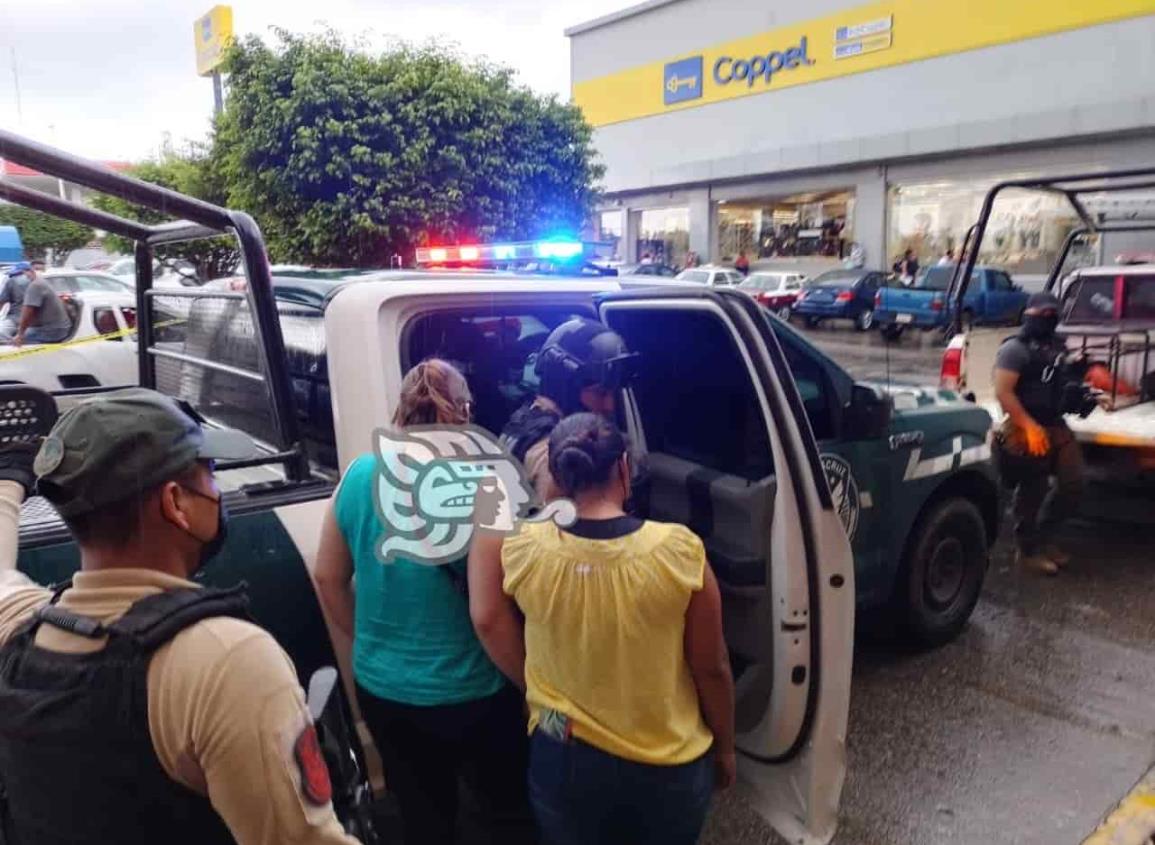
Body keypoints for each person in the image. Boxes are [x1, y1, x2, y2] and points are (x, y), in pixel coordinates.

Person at [0, 388, 359, 844]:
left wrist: (9, 483)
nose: (216, 491)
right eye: (208, 476)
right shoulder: (225, 660)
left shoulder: (24, 630)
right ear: (176, 503)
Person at [470, 413, 735, 845]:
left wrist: (535, 690)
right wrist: (724, 747)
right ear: (625, 469)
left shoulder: (519, 549)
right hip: (668, 764)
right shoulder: (678, 551)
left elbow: (485, 616)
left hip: (564, 752)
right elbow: (712, 667)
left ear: (555, 475)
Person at [314, 358, 534, 845]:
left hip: (382, 692)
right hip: (470, 694)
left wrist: (371, 642)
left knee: (423, 820)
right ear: (465, 411)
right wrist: (531, 684)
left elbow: (328, 577)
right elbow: (487, 616)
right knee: (506, 814)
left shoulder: (358, 473)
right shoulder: (485, 484)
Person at [992, 292, 1084, 576]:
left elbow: (1063, 383)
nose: (1048, 319)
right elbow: (1003, 392)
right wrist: (1029, 427)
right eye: (1042, 314)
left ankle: (1046, 537)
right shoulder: (1015, 349)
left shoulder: (1055, 347)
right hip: (1023, 424)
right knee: (1034, 487)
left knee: (1073, 483)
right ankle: (1028, 551)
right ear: (1029, 314)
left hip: (1055, 423)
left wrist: (1088, 395)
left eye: (1052, 314)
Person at [500, 318, 637, 500]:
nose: (610, 405)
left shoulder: (526, 421)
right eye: (600, 394)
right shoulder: (553, 454)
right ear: (564, 388)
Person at [3, 261, 71, 345]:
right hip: (56, 328)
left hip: (52, 330)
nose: (15, 280)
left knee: (12, 344)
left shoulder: (35, 285)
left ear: (30, 272)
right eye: (13, 277)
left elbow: (28, 312)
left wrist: (20, 335)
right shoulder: (41, 282)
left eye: (19, 275)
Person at [0, 262, 32, 340]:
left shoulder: (11, 282)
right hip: (34, 321)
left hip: (15, 319)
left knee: (2, 334)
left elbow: (1, 302)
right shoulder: (38, 281)